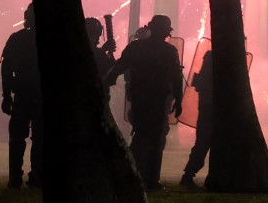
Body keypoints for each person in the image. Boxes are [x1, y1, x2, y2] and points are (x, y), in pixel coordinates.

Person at [103, 14, 183, 190]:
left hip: (140, 99)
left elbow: (120, 66)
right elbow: (176, 78)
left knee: (141, 137)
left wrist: (108, 79)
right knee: (155, 141)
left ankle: (131, 175)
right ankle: (151, 180)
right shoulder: (169, 51)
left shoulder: (137, 47)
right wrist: (179, 99)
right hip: (158, 100)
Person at [0, 3, 42, 188]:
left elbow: (6, 69)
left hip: (22, 94)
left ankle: (15, 177)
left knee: (17, 138)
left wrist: (6, 95)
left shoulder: (17, 39)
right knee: (40, 138)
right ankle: (37, 177)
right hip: (41, 96)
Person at [180, 49, 213, 189]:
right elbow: (201, 84)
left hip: (208, 108)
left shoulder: (210, 57)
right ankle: (188, 175)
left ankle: (189, 174)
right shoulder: (213, 58)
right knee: (202, 144)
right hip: (209, 109)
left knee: (202, 144)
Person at [85, 16, 116, 86]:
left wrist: (103, 50)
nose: (98, 39)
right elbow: (111, 76)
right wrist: (109, 53)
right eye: (97, 35)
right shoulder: (100, 54)